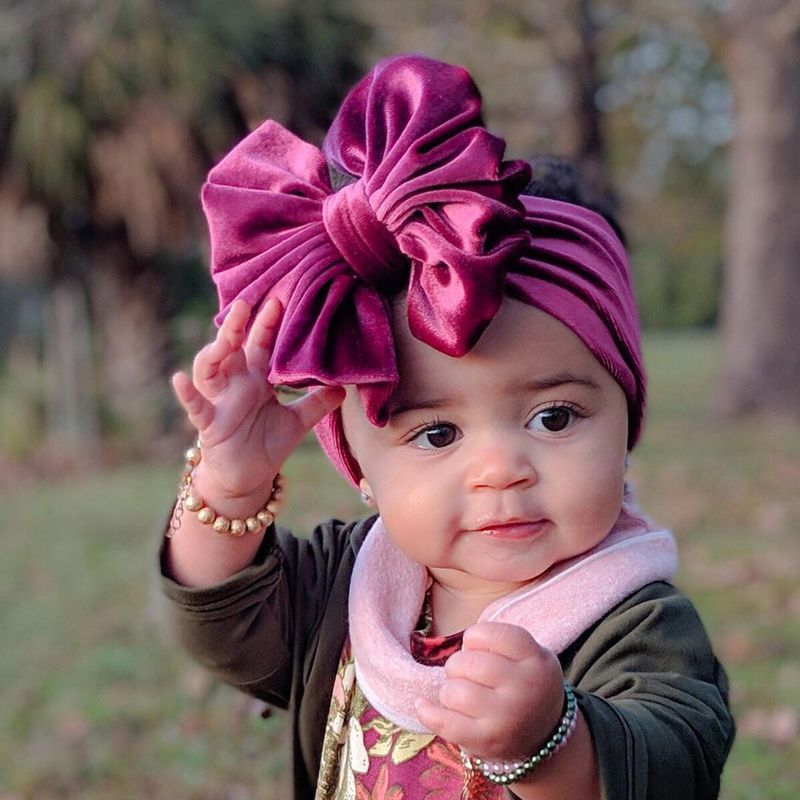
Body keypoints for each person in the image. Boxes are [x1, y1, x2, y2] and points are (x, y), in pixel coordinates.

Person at [160, 55, 735, 799]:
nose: (501, 468)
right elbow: (222, 624)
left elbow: (674, 765)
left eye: (553, 416)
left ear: (626, 419)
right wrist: (229, 485)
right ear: (360, 466)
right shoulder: (348, 587)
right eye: (436, 434)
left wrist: (551, 741)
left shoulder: (635, 620)